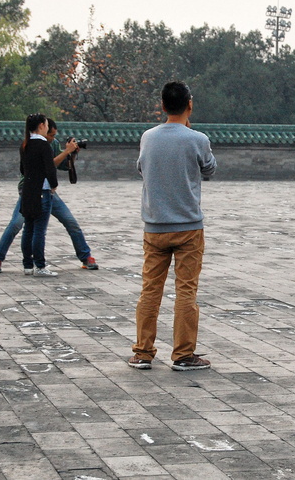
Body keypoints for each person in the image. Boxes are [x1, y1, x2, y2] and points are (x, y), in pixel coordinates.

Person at [128, 81, 217, 371]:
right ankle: (183, 354)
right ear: (189, 105)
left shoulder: (148, 137)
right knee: (186, 292)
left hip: (154, 226)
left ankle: (142, 352)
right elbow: (210, 169)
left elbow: (141, 168)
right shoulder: (197, 139)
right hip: (189, 226)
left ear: (163, 106)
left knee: (150, 291)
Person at [0, 119, 99, 273]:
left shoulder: (52, 144)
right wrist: (66, 152)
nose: (52, 138)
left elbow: (63, 166)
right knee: (17, 224)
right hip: (31, 190)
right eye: (50, 134)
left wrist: (72, 154)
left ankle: (85, 257)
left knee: (70, 222)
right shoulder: (32, 144)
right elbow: (47, 165)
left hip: (49, 191)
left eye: (54, 135)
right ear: (42, 129)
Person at [19, 114, 59, 277]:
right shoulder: (43, 146)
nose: (48, 128)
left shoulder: (25, 144)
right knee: (39, 230)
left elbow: (23, 169)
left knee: (28, 228)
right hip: (42, 191)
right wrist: (54, 184)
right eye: (47, 125)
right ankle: (40, 266)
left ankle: (27, 265)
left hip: (28, 191)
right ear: (42, 125)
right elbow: (50, 169)